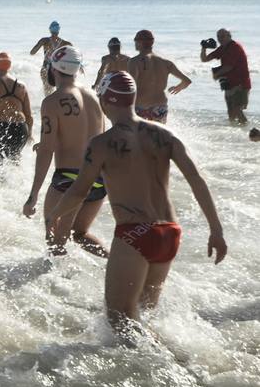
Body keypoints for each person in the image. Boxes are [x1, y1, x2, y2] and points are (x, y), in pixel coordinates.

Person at [47, 72, 227, 337]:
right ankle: (174, 360)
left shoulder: (101, 144)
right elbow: (197, 180)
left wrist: (53, 216)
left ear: (105, 102)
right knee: (142, 315)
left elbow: (78, 192)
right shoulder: (164, 134)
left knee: (119, 320)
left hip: (135, 234)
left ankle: (167, 367)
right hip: (169, 233)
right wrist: (216, 230)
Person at [23, 45, 107, 255]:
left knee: (54, 241)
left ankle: (57, 285)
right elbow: (97, 138)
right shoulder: (93, 97)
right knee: (79, 234)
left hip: (69, 179)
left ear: (53, 68)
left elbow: (47, 151)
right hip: (98, 179)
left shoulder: (52, 102)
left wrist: (33, 195)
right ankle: (119, 264)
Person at [127, 30, 191, 123]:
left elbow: (130, 86)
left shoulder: (134, 62)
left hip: (141, 107)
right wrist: (178, 88)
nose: (134, 43)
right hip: (160, 107)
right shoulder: (166, 63)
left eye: (135, 40)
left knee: (140, 137)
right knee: (158, 136)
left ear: (140, 42)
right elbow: (187, 81)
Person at [201, 29, 250, 125]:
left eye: (222, 36)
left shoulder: (235, 47)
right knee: (231, 113)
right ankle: (234, 134)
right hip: (229, 83)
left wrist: (216, 74)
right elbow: (204, 59)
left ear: (229, 36)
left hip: (241, 84)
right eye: (218, 36)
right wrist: (204, 48)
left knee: (237, 110)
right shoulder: (222, 48)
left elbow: (229, 66)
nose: (220, 39)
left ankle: (247, 132)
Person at [30, 21, 69, 95]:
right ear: (58, 30)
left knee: (48, 92)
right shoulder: (65, 43)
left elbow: (32, 52)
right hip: (58, 70)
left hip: (46, 68)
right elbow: (75, 55)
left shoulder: (44, 40)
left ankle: (48, 105)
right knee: (59, 91)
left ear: (50, 30)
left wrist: (41, 44)